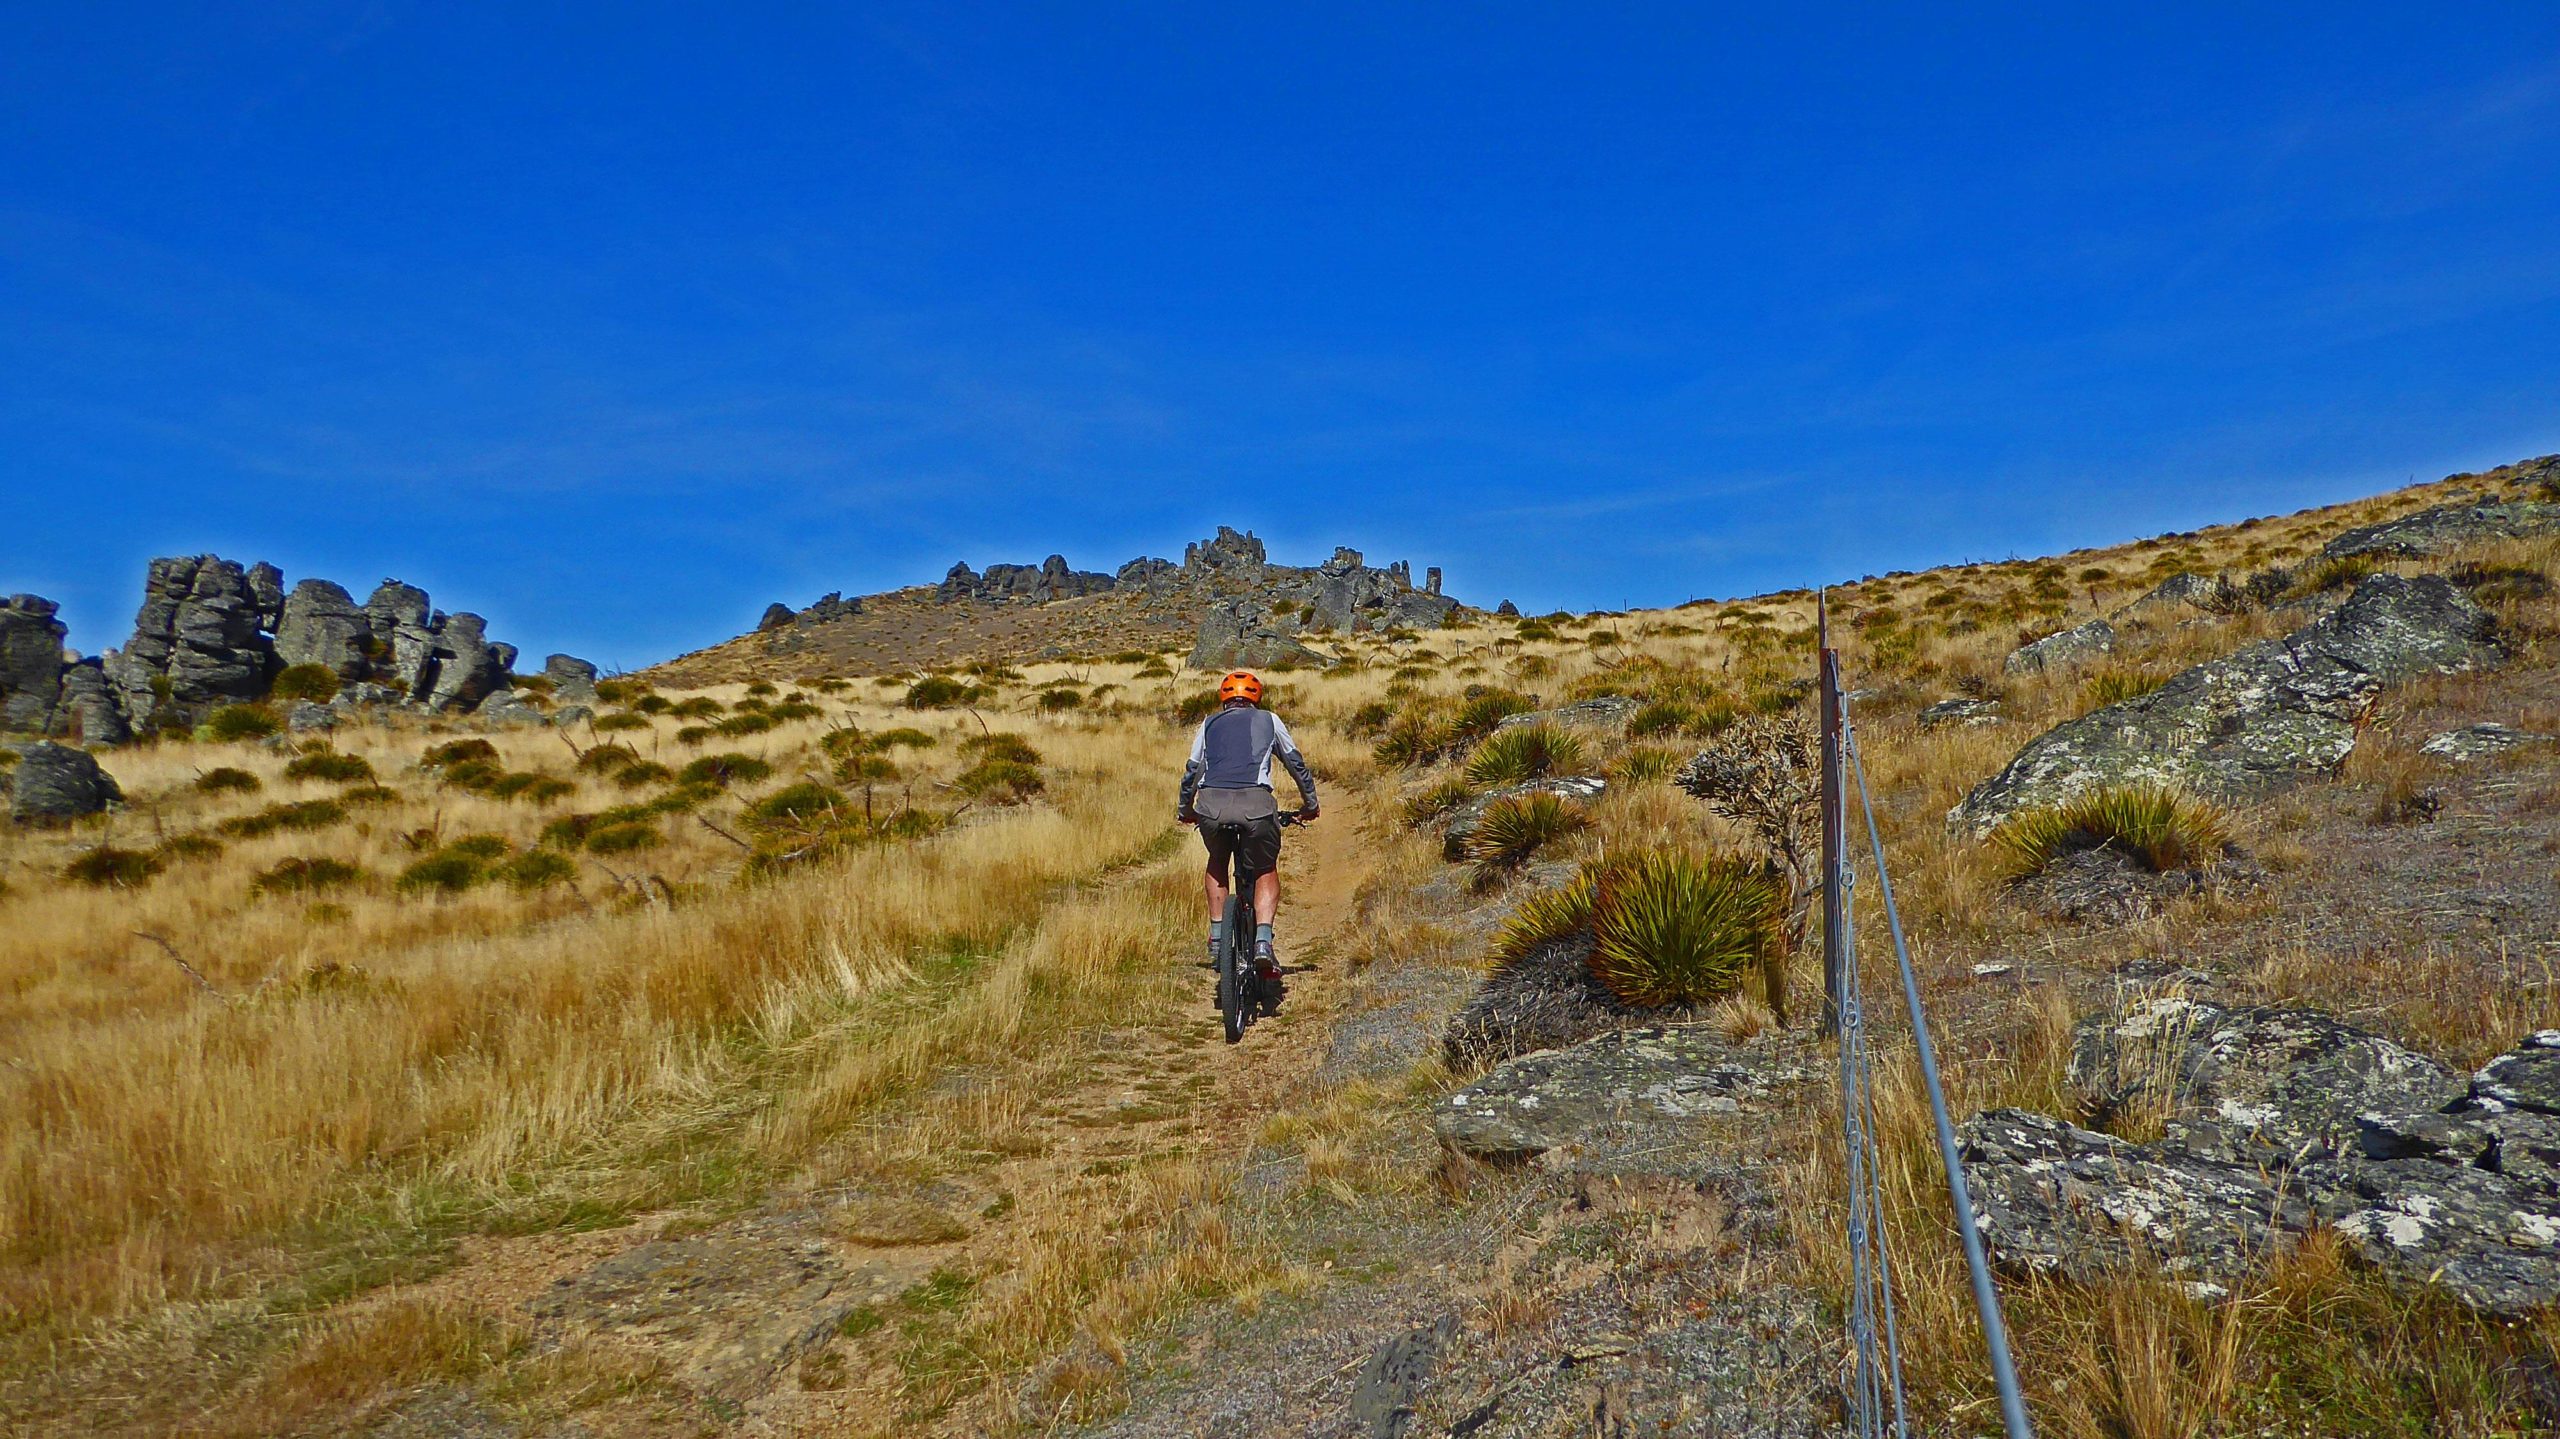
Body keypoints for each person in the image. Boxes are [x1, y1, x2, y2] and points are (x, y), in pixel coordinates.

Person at [1176, 669, 1319, 1002]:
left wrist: (1186, 809)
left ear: (1223, 698)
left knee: (1217, 858)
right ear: (1256, 697)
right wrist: (1310, 803)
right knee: (1265, 866)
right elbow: (1295, 763)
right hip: (1256, 805)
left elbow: (1191, 771)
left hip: (1211, 805)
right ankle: (1263, 941)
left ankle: (1216, 935)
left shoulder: (1208, 724)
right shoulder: (1269, 719)